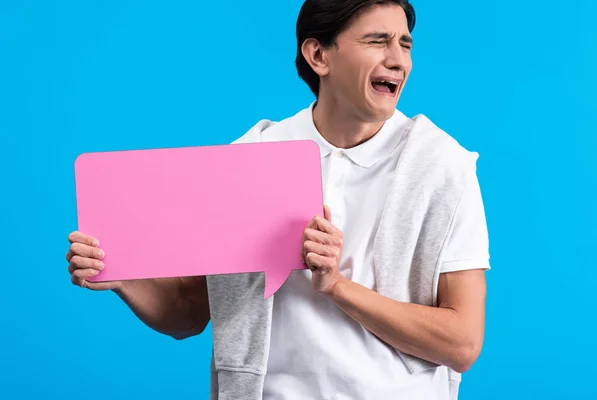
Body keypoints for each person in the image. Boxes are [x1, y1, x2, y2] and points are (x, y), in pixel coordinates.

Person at [66, 1, 490, 399]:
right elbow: (189, 311)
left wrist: (337, 287)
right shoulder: (249, 159)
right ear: (318, 56)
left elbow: (462, 342)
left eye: (405, 43)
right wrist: (121, 278)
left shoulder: (443, 168)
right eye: (377, 40)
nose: (399, 59)